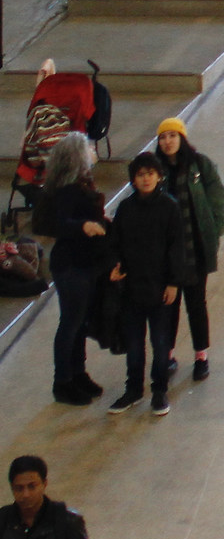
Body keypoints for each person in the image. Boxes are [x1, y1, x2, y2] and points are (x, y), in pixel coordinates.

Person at [148, 120, 224, 386]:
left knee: (196, 303)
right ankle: (168, 355)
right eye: (162, 137)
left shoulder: (199, 165)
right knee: (168, 306)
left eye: (172, 136)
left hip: (195, 248)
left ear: (182, 137)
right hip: (168, 254)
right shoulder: (155, 170)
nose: (167, 141)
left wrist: (214, 230)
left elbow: (216, 197)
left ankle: (201, 356)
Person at [35, 136, 108, 406]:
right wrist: (84, 227)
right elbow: (61, 223)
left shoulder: (82, 183)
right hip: (71, 265)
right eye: (88, 147)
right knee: (71, 323)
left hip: (85, 262)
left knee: (79, 323)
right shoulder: (68, 189)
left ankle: (78, 373)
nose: (93, 149)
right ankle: (63, 381)